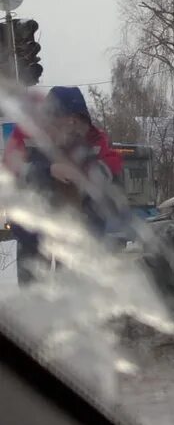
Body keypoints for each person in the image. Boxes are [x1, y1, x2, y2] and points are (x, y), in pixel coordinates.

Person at [5, 86, 123, 285]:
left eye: (78, 121)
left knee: (73, 288)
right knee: (34, 288)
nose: (72, 126)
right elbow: (10, 167)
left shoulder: (94, 138)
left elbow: (113, 163)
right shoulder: (26, 133)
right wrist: (48, 170)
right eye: (67, 119)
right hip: (33, 225)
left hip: (77, 229)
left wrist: (95, 173)